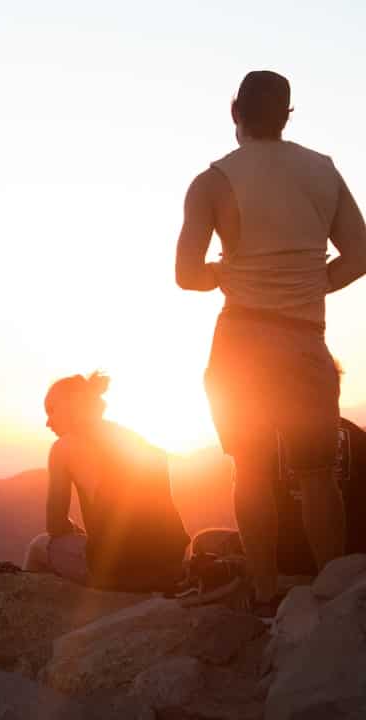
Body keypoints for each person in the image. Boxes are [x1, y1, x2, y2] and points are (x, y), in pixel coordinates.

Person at [176, 70, 366, 612]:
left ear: (235, 111)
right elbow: (360, 253)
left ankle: (264, 594)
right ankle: (333, 597)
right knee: (317, 474)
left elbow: (187, 274)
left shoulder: (213, 181)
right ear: (286, 115)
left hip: (242, 341)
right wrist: (311, 282)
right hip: (305, 339)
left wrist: (231, 272)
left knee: (252, 469)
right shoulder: (323, 171)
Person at [24, 373, 190, 592]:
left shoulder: (63, 448)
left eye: (51, 410)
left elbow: (55, 526)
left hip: (120, 572)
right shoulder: (132, 438)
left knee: (38, 546)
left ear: (69, 406)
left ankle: (35, 616)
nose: (48, 422)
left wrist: (75, 531)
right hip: (172, 564)